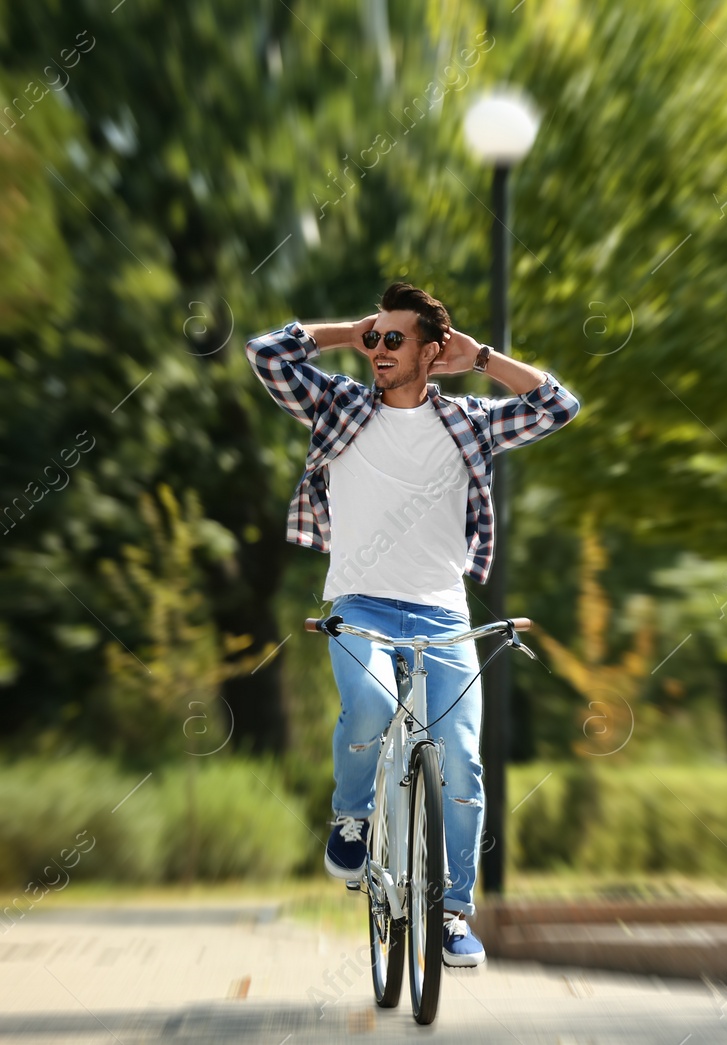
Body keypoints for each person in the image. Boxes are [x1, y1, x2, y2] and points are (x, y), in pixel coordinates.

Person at [245, 282, 579, 967]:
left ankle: (454, 911)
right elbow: (267, 354)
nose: (378, 349)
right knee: (369, 702)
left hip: (443, 611)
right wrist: (351, 330)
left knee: (462, 761)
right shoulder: (338, 404)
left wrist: (482, 356)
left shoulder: (470, 420)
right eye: (376, 338)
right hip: (359, 604)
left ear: (434, 351)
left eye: (393, 339)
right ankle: (351, 814)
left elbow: (558, 405)